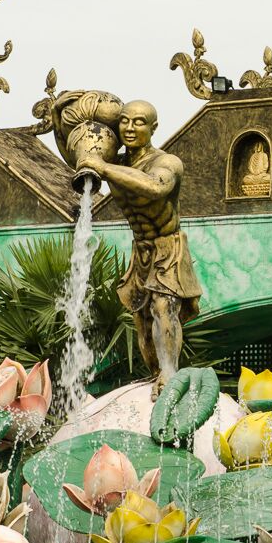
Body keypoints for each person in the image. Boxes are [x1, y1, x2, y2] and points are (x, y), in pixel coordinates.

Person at [77, 100, 202, 397]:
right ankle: (156, 374)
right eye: (124, 121)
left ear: (154, 128)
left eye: (139, 122)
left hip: (167, 245)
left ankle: (170, 373)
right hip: (141, 249)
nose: (130, 128)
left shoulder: (167, 162)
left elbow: (155, 186)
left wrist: (104, 167)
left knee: (163, 307)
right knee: (142, 321)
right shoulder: (115, 163)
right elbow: (76, 150)